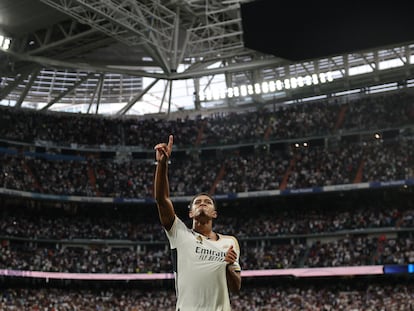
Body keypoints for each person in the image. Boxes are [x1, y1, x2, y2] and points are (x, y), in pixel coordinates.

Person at [154, 134, 241, 311]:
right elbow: (162, 199)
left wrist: (229, 267)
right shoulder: (179, 234)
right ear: (191, 213)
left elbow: (235, 287)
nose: (202, 203)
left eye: (208, 202)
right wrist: (162, 165)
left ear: (214, 214)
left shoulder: (230, 242)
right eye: (197, 202)